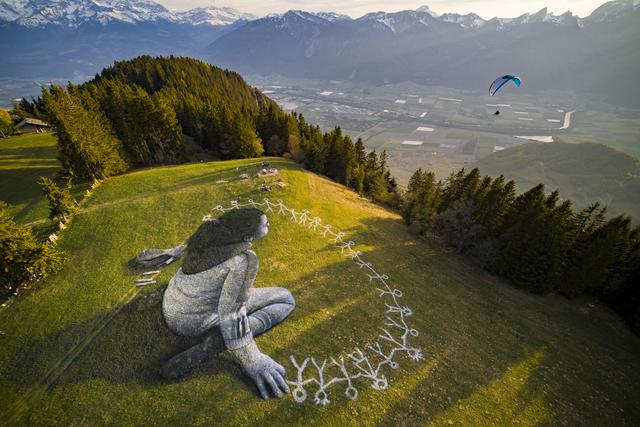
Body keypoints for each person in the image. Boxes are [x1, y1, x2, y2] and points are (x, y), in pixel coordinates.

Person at [135, 208, 295, 399]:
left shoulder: (207, 234)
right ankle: (215, 345)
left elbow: (180, 251)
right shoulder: (244, 260)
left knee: (236, 296)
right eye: (265, 223)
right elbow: (231, 314)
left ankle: (216, 339)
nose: (269, 225)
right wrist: (253, 359)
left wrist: (164, 253)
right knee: (286, 298)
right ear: (247, 233)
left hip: (171, 306)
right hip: (192, 323)